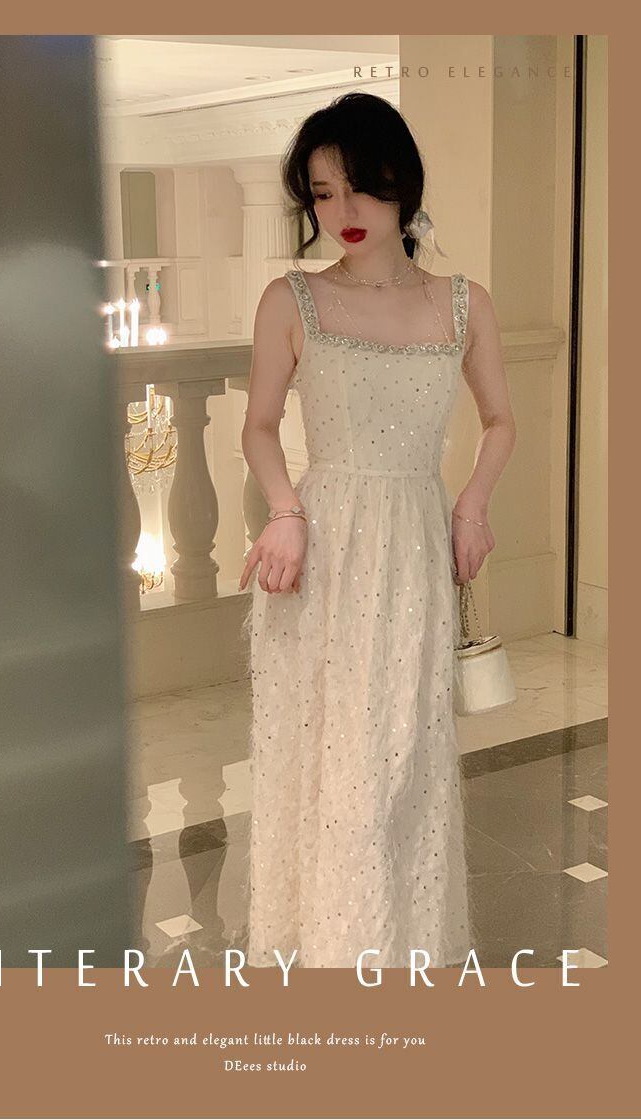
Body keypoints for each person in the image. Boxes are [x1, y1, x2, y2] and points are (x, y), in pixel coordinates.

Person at [238, 92, 516, 968]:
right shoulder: (292, 300)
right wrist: (285, 512)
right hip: (322, 551)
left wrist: (472, 505)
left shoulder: (463, 303)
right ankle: (334, 954)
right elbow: (258, 426)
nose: (343, 211)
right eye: (323, 194)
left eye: (360, 185)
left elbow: (500, 421)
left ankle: (398, 949)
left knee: (404, 760)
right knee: (330, 763)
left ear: (403, 181)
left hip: (414, 548)